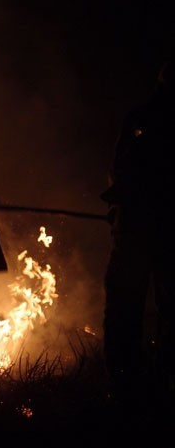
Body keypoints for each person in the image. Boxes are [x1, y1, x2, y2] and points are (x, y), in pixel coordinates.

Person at [101, 60, 174, 415]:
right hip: (137, 230)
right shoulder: (139, 120)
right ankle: (138, 388)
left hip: (148, 232)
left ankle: (131, 389)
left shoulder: (142, 117)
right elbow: (119, 172)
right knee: (133, 309)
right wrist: (118, 204)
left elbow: (120, 172)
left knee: (129, 310)